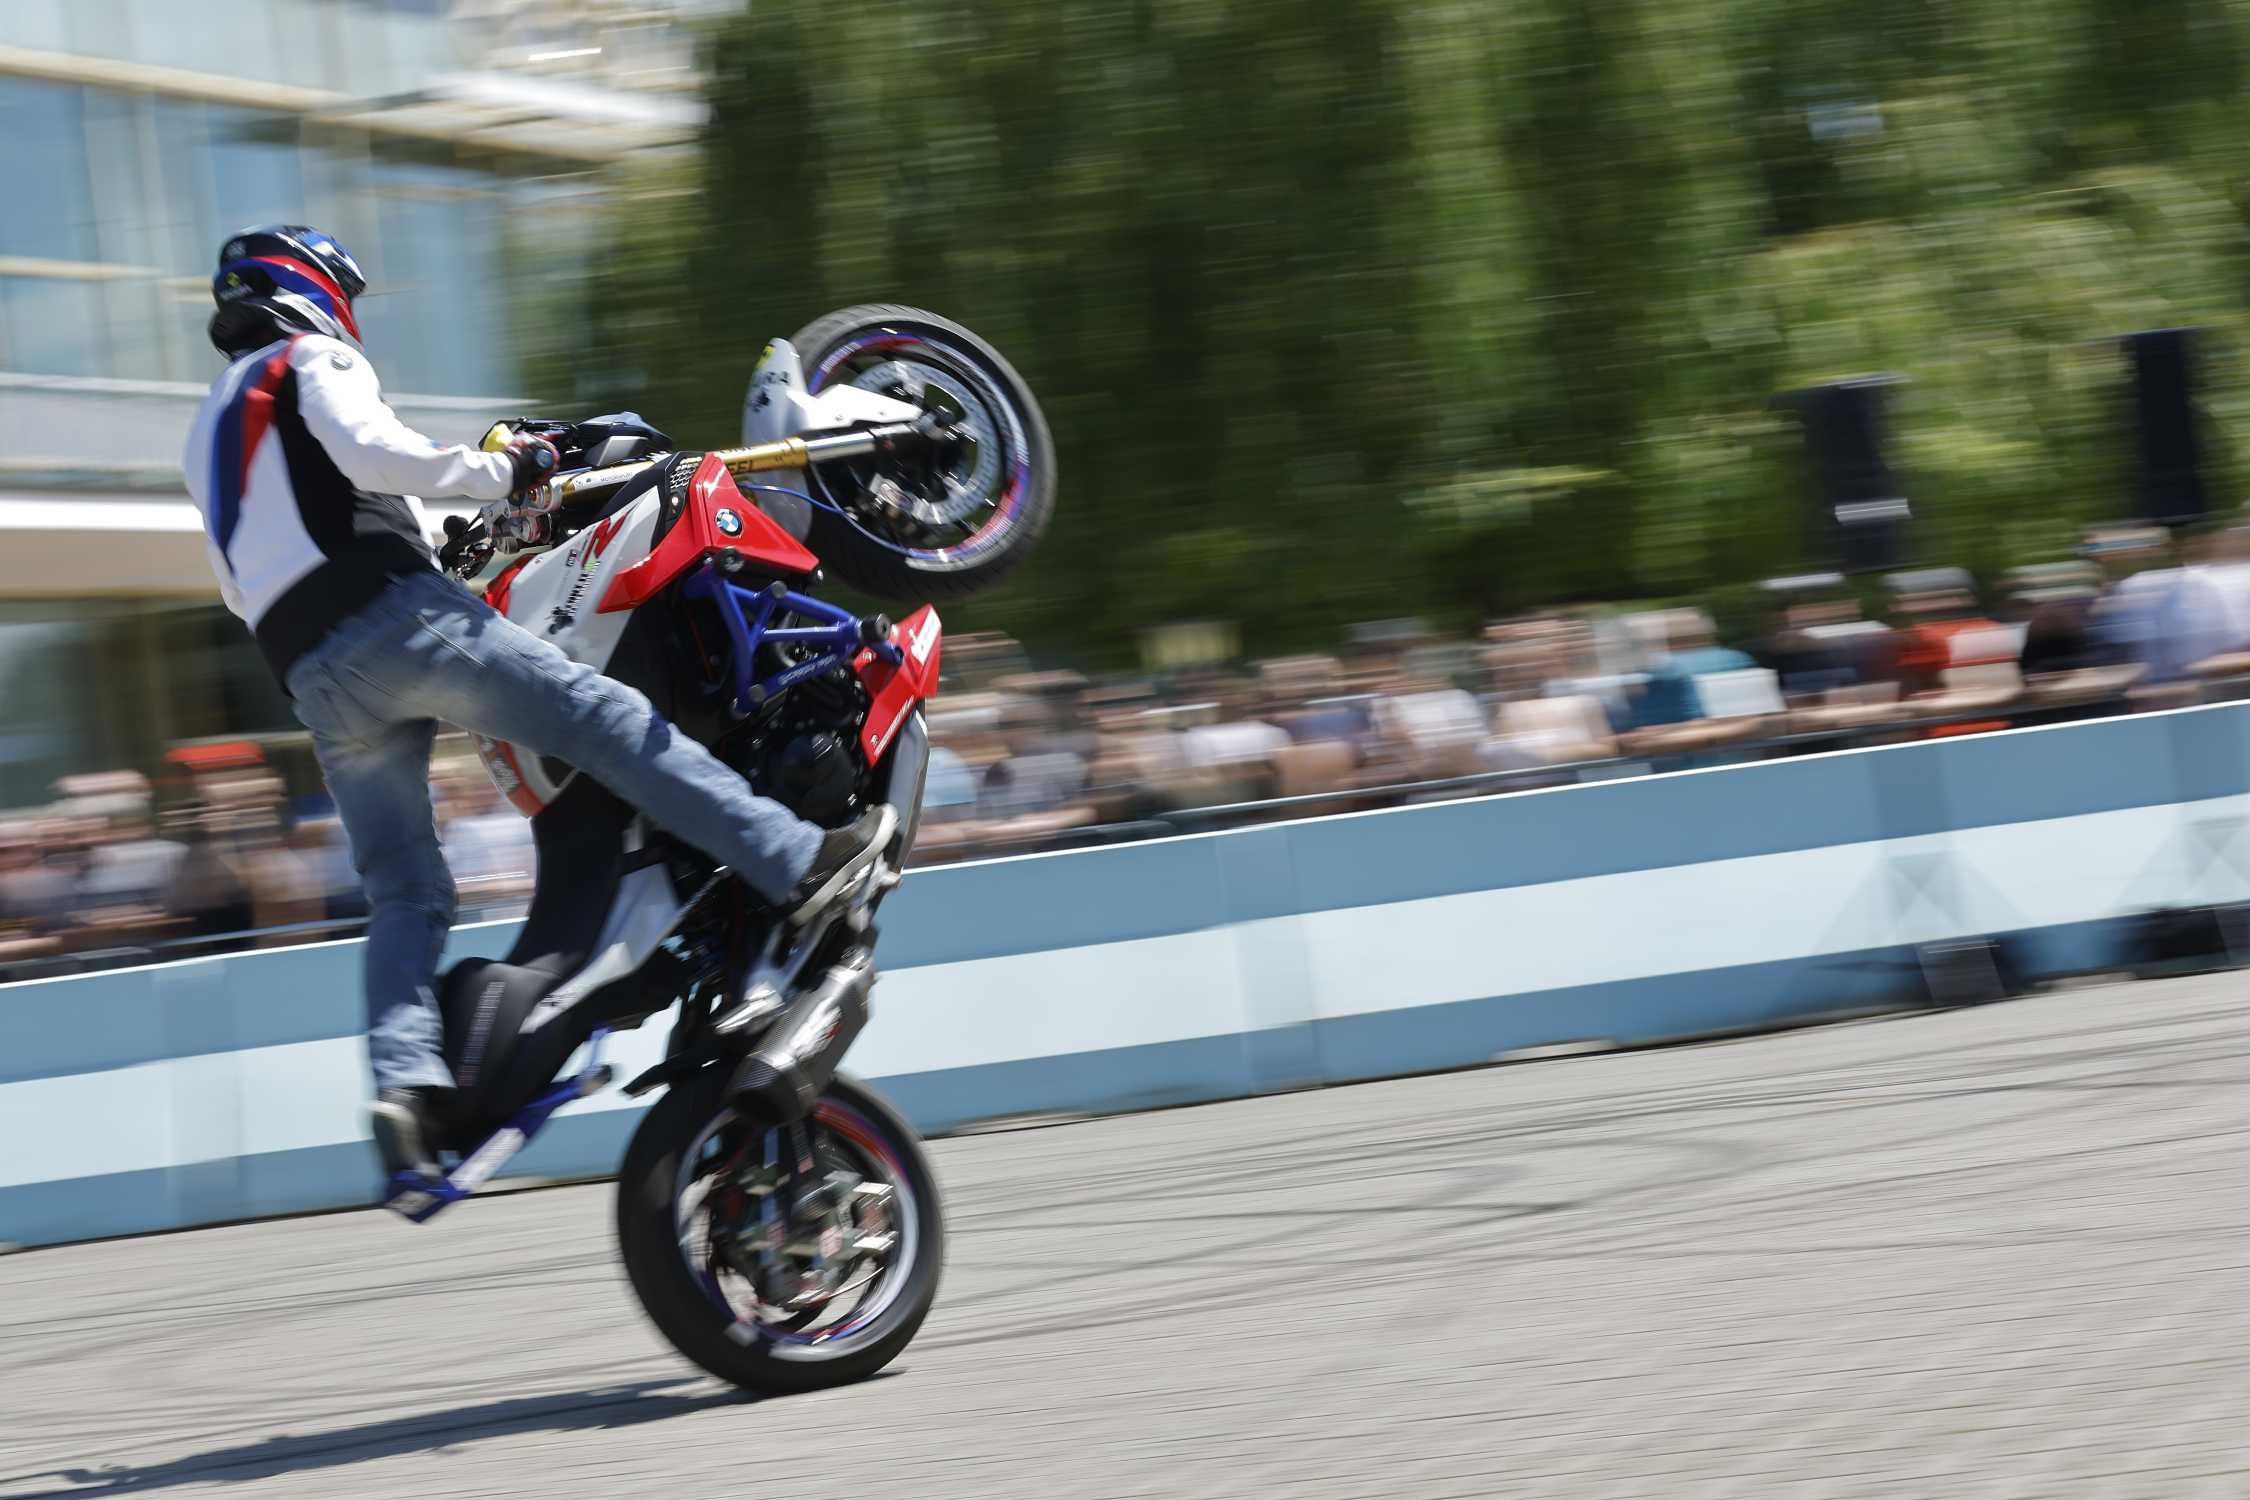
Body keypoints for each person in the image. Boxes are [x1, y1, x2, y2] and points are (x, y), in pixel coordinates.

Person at [180, 225, 893, 1180]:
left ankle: (405, 1086)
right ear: (308, 289)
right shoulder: (310, 358)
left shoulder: (205, 430)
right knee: (607, 724)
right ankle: (796, 860)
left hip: (307, 669)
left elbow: (240, 583)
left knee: (405, 891)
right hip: (389, 615)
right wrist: (507, 470)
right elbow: (377, 451)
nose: (350, 317)